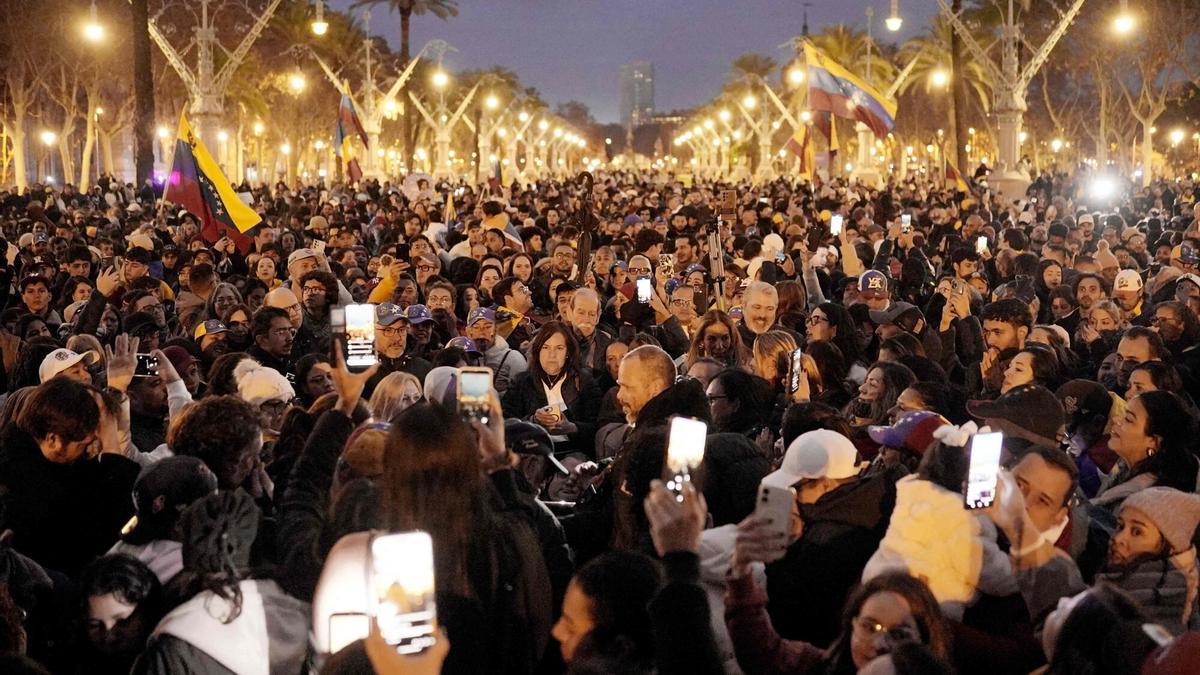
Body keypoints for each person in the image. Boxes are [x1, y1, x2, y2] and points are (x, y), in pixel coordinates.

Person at [1095, 487, 1200, 633]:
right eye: (1120, 526)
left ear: (1170, 545)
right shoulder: (1122, 583)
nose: (1118, 539)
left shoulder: (1157, 615)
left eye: (1137, 532)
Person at [502, 321, 602, 457]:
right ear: (538, 351)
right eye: (546, 348)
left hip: (572, 451)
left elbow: (596, 428)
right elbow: (506, 423)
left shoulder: (584, 382)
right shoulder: (522, 382)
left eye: (559, 348)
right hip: (532, 451)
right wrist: (533, 421)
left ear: (568, 352)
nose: (552, 355)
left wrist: (573, 428)